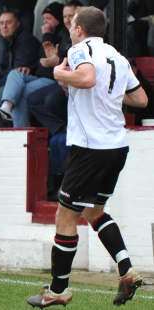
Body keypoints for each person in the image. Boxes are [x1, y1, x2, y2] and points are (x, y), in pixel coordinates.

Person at [27, 6, 148, 308]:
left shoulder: (80, 49)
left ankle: (58, 291)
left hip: (90, 148)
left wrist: (59, 72)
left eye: (72, 24)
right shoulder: (117, 57)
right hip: (116, 146)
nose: (69, 28)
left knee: (64, 216)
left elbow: (88, 78)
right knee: (94, 212)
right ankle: (127, 271)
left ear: (79, 29)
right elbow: (141, 99)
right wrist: (109, 99)